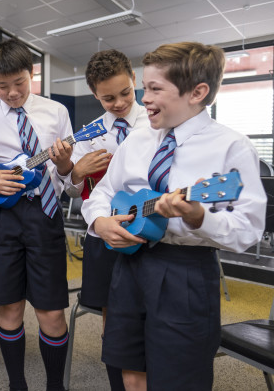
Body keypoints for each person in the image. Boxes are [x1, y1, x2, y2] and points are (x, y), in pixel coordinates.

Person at [82, 41, 266, 390]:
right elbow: (103, 193)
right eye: (144, 87)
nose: (144, 99)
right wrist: (100, 221)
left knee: (179, 378)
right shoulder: (137, 141)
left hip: (185, 272)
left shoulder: (232, 146)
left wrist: (199, 218)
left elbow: (248, 231)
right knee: (129, 373)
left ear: (197, 92)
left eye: (155, 89)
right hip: (128, 266)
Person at [0, 38, 73, 391]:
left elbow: (68, 176)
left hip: (44, 213)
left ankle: (55, 385)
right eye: (2, 86)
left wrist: (64, 164)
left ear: (32, 74)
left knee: (51, 311)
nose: (12, 93)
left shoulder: (56, 112)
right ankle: (17, 384)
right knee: (9, 309)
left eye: (19, 83)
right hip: (1, 220)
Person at [64, 49, 149, 390]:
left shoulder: (156, 120)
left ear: (134, 78)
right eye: (108, 98)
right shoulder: (90, 133)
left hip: (147, 228)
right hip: (103, 235)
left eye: (125, 92)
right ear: (94, 94)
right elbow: (73, 191)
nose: (119, 103)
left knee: (151, 312)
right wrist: (76, 173)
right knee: (111, 317)